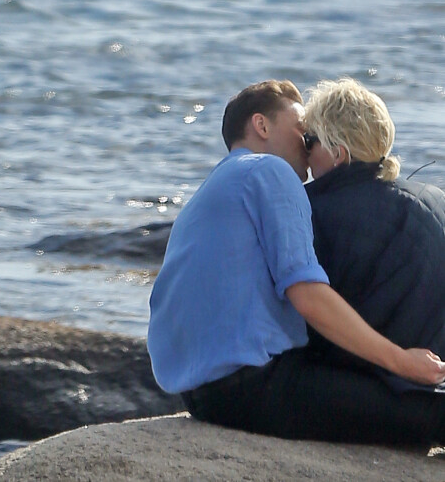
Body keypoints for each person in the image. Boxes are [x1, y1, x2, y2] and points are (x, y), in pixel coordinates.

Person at [147, 79, 445, 445]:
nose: (307, 147)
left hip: (200, 390)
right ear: (262, 125)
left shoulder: (213, 190)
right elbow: (307, 294)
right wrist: (402, 361)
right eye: (303, 132)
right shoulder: (269, 172)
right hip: (254, 385)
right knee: (431, 416)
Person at [303, 77, 445, 389]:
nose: (305, 156)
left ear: (337, 153)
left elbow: (306, 314)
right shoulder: (436, 200)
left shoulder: (314, 212)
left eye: (309, 142)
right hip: (431, 385)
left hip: (371, 388)